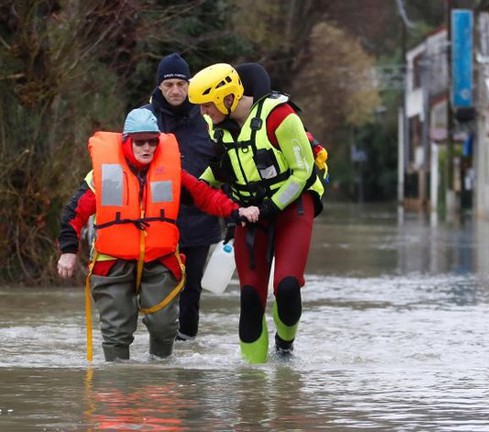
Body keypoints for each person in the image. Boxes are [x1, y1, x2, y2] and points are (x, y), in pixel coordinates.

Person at [56, 108, 259, 362]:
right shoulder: (102, 175)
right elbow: (73, 213)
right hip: (113, 262)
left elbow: (205, 196)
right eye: (139, 142)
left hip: (160, 260)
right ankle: (118, 391)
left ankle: (161, 383)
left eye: (152, 141)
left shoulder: (172, 172)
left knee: (165, 327)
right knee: (116, 331)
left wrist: (236, 211)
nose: (147, 147)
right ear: (126, 142)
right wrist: (68, 250)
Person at [188, 62, 325, 363]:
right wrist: (196, 187)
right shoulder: (217, 126)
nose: (203, 113)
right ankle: (252, 384)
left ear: (227, 98)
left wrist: (269, 207)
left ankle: (285, 346)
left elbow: (303, 173)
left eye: (207, 105)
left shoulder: (281, 117)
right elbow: (221, 166)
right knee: (250, 298)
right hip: (249, 214)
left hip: (292, 207)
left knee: (287, 286)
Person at [143, 52, 221, 342]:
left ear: (189, 85)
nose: (175, 91)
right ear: (159, 87)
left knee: (192, 289)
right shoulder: (145, 118)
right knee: (158, 284)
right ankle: (159, 344)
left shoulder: (208, 116)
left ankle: (187, 347)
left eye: (180, 84)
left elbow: (225, 165)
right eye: (169, 85)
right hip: (156, 219)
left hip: (201, 216)